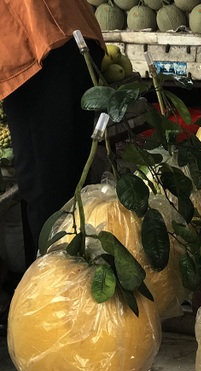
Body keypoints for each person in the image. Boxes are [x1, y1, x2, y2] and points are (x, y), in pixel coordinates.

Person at [0, 0, 105, 333]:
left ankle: (54, 316)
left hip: (33, 49)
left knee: (50, 192)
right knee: (74, 184)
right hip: (70, 32)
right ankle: (84, 300)